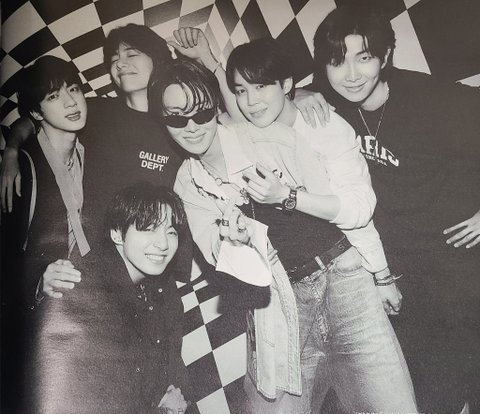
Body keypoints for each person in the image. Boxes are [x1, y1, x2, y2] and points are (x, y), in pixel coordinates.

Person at [148, 57, 417, 413]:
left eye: (201, 112)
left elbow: (342, 211)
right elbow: (216, 253)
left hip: (343, 283)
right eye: (177, 118)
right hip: (276, 306)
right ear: (162, 120)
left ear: (216, 107)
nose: (192, 126)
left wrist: (381, 274)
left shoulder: (274, 138)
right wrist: (234, 242)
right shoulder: (188, 183)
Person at [304, 4, 480, 413]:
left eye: (364, 58)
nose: (351, 74)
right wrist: (299, 94)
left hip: (462, 269)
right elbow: (264, 99)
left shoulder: (434, 99)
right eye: (337, 61)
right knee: (424, 397)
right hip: (404, 277)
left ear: (385, 56)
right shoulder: (330, 100)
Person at [22, 183, 195, 413]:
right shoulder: (87, 291)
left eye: (171, 232)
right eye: (149, 228)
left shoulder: (165, 288)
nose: (163, 244)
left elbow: (171, 365)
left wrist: (177, 400)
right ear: (117, 234)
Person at [0, 55, 90, 412]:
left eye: (74, 90)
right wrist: (38, 283)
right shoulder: (23, 170)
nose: (70, 102)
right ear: (37, 112)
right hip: (27, 330)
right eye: (53, 96)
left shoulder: (90, 148)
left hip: (77, 319)